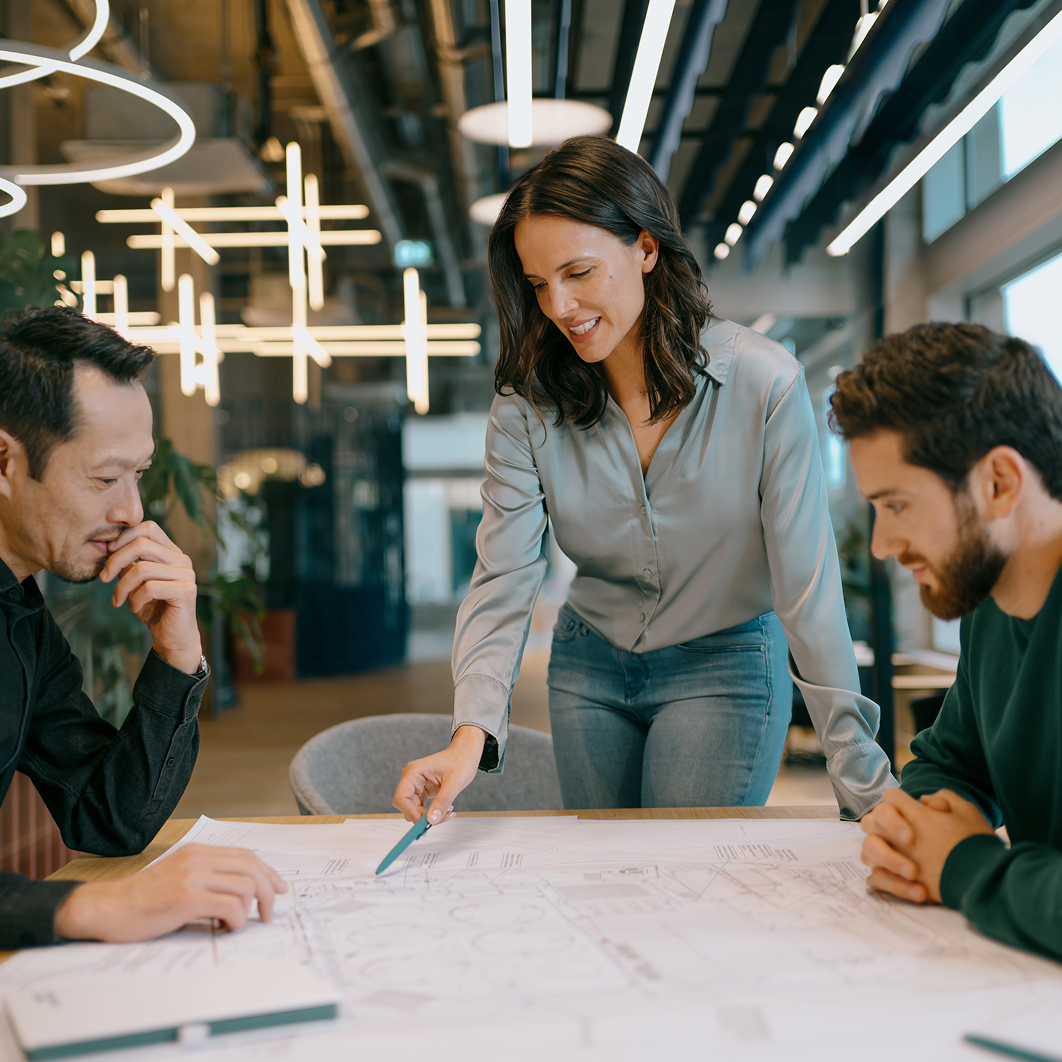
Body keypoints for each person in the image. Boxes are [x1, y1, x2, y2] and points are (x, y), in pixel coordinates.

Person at [393, 135, 894, 825]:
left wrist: (863, 783)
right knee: (608, 889)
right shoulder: (526, 408)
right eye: (539, 284)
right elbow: (504, 578)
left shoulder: (762, 383)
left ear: (647, 249)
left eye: (579, 272)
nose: (560, 306)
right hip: (588, 667)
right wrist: (469, 735)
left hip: (725, 663)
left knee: (685, 889)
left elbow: (807, 589)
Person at [0, 306, 284, 949]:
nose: (132, 512)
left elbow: (109, 817)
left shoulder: (20, 612)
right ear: (5, 460)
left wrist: (178, 653)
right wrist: (94, 907)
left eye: (139, 476)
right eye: (104, 478)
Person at [831, 322, 1062, 961]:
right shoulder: (993, 600)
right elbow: (950, 762)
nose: (880, 546)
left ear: (999, 484)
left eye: (897, 505)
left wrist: (962, 863)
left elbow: (965, 856)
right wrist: (917, 834)